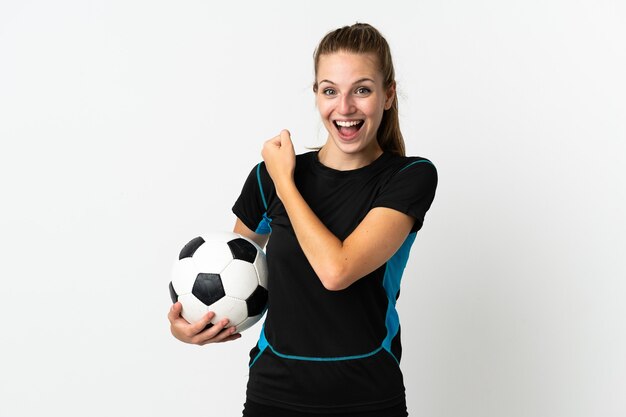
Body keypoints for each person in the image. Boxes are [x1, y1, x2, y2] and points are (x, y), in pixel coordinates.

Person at [168, 22, 438, 416]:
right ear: (316, 95)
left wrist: (285, 182)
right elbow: (232, 264)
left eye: (362, 90)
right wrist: (192, 325)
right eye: (330, 91)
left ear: (388, 95)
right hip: (274, 395)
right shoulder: (269, 177)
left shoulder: (408, 177)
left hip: (368, 395)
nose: (344, 108)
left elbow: (337, 270)